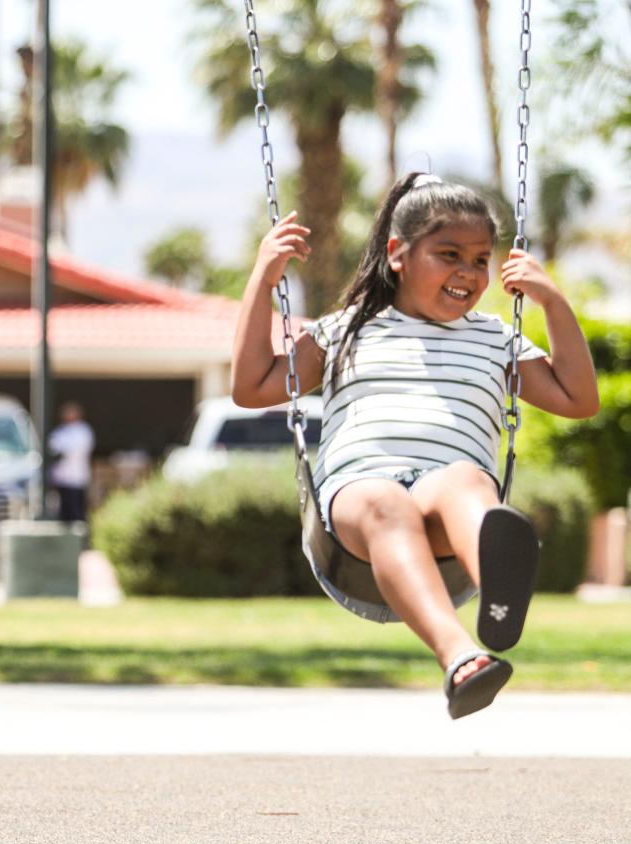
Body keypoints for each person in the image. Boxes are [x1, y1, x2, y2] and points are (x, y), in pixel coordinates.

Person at [231, 172, 598, 719]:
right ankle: (461, 658)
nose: (467, 273)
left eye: (480, 260)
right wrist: (263, 279)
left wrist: (550, 300)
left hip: (443, 500)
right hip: (358, 498)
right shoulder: (347, 329)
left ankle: (496, 580)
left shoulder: (495, 337)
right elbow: (252, 386)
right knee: (387, 501)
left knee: (466, 481)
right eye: (448, 254)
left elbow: (577, 398)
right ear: (399, 253)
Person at [48, 401, 95, 523]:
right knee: (63, 514)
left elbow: (70, 451)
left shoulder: (83, 430)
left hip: (76, 480)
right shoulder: (61, 430)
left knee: (76, 514)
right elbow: (51, 448)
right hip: (61, 480)